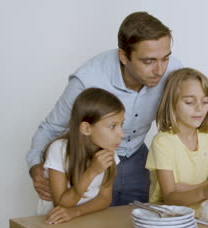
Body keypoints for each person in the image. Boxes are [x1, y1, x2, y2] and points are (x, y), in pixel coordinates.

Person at [26, 11, 183, 206]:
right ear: (124, 56)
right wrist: (35, 167)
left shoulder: (173, 72)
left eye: (165, 58)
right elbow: (51, 128)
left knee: (135, 226)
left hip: (138, 158)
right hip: (92, 162)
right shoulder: (88, 80)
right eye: (148, 61)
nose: (160, 70)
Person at [27, 88, 125, 228]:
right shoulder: (60, 149)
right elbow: (61, 203)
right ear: (86, 128)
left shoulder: (108, 152)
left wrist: (75, 212)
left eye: (121, 124)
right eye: (113, 126)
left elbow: (105, 199)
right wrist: (92, 171)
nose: (121, 133)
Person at [146, 68, 208, 205]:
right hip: (165, 215)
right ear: (172, 103)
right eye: (190, 102)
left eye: (205, 101)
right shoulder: (162, 142)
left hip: (199, 208)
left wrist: (185, 188)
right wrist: (203, 190)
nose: (199, 108)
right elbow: (169, 197)